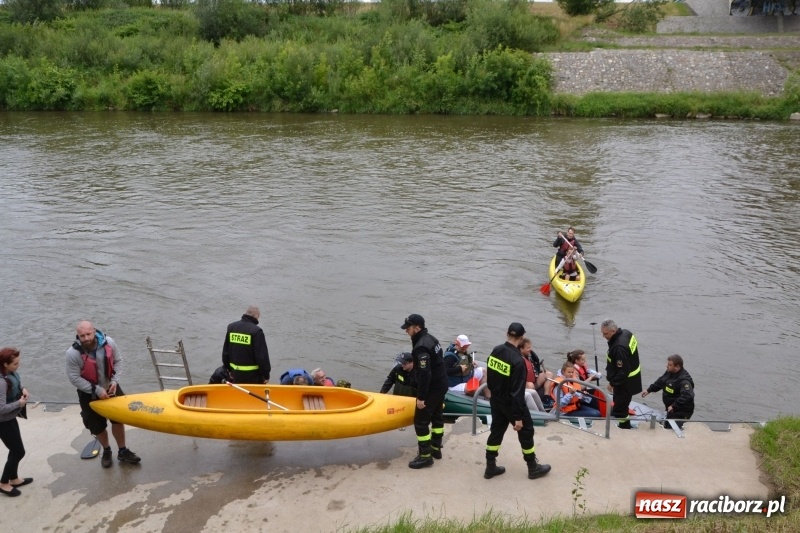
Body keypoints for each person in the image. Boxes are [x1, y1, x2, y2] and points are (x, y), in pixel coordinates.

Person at [66, 321, 141, 468]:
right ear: (78, 336)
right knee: (97, 426)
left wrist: (114, 381)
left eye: (88, 334)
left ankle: (122, 450)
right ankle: (106, 450)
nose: (86, 338)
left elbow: (118, 361)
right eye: (82, 336)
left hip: (111, 387)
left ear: (94, 331)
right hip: (88, 393)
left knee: (118, 419)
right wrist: (96, 390)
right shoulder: (72, 353)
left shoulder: (109, 342)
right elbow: (74, 378)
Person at [483, 322, 551, 481]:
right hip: (511, 404)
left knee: (496, 432)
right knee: (526, 433)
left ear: (507, 333)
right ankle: (533, 467)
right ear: (521, 338)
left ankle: (490, 466)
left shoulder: (496, 350)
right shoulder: (518, 361)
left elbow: (490, 377)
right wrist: (518, 417)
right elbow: (517, 392)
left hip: (496, 400)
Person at [401, 314, 448, 469]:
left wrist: (421, 397)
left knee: (420, 422)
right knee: (437, 417)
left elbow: (424, 373)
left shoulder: (421, 346)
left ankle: (425, 456)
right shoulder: (431, 339)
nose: (406, 331)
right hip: (441, 384)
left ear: (417, 327)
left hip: (432, 388)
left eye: (408, 328)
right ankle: (436, 449)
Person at [0, 347, 31, 497]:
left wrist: (23, 389)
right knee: (19, 452)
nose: (18, 366)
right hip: (3, 422)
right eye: (15, 364)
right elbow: (1, 408)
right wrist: (18, 404)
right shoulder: (1, 382)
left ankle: (14, 478)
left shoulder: (9, 374)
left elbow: (16, 385)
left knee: (14, 450)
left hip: (10, 419)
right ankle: (3, 483)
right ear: (5, 364)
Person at [601, 319, 643, 429]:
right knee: (623, 403)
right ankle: (624, 420)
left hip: (624, 383)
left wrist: (613, 383)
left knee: (620, 409)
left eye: (605, 333)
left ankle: (624, 427)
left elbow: (623, 371)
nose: (603, 336)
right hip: (633, 378)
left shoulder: (619, 347)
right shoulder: (627, 333)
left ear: (613, 331)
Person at [642, 354, 695, 429]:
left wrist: (674, 405)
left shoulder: (684, 381)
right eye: (667, 364)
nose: (667, 366)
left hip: (681, 411)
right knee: (667, 425)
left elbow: (688, 396)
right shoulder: (670, 372)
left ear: (677, 367)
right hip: (671, 409)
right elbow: (661, 381)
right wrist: (649, 390)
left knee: (673, 430)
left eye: (669, 365)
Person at [222, 306, 271, 385]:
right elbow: (262, 357)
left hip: (235, 374)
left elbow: (225, 352)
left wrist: (228, 369)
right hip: (253, 377)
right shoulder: (256, 331)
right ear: (257, 316)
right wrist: (266, 375)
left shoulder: (231, 327)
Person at [443, 335, 489, 399]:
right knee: (472, 389)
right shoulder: (450, 357)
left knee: (483, 371)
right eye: (463, 347)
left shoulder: (462, 351)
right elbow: (445, 370)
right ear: (457, 344)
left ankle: (488, 397)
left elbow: (464, 360)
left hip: (465, 377)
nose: (465, 349)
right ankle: (473, 402)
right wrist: (459, 369)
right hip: (454, 383)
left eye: (466, 347)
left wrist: (471, 363)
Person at [519, 338, 554, 409]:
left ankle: (546, 398)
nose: (530, 349)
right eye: (528, 348)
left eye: (530, 347)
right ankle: (532, 403)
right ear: (521, 349)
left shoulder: (530, 356)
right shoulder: (518, 360)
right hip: (525, 385)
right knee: (530, 385)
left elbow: (534, 368)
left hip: (534, 381)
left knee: (549, 374)